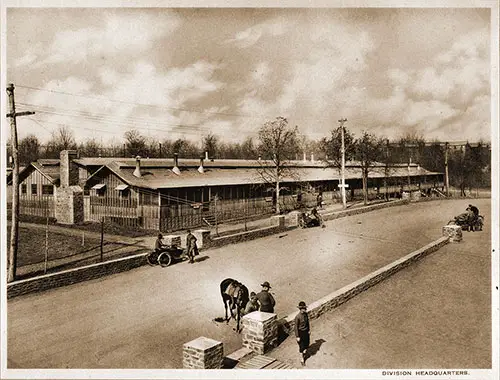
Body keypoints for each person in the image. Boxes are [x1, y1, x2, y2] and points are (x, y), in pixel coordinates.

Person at [295, 301, 310, 366]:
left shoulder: (306, 314)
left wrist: (309, 330)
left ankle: (304, 352)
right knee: (302, 347)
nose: (305, 309)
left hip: (306, 332)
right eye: (304, 308)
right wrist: (297, 336)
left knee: (307, 344)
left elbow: (307, 323)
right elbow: (295, 327)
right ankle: (302, 359)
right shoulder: (297, 317)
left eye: (305, 308)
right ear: (301, 309)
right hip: (300, 333)